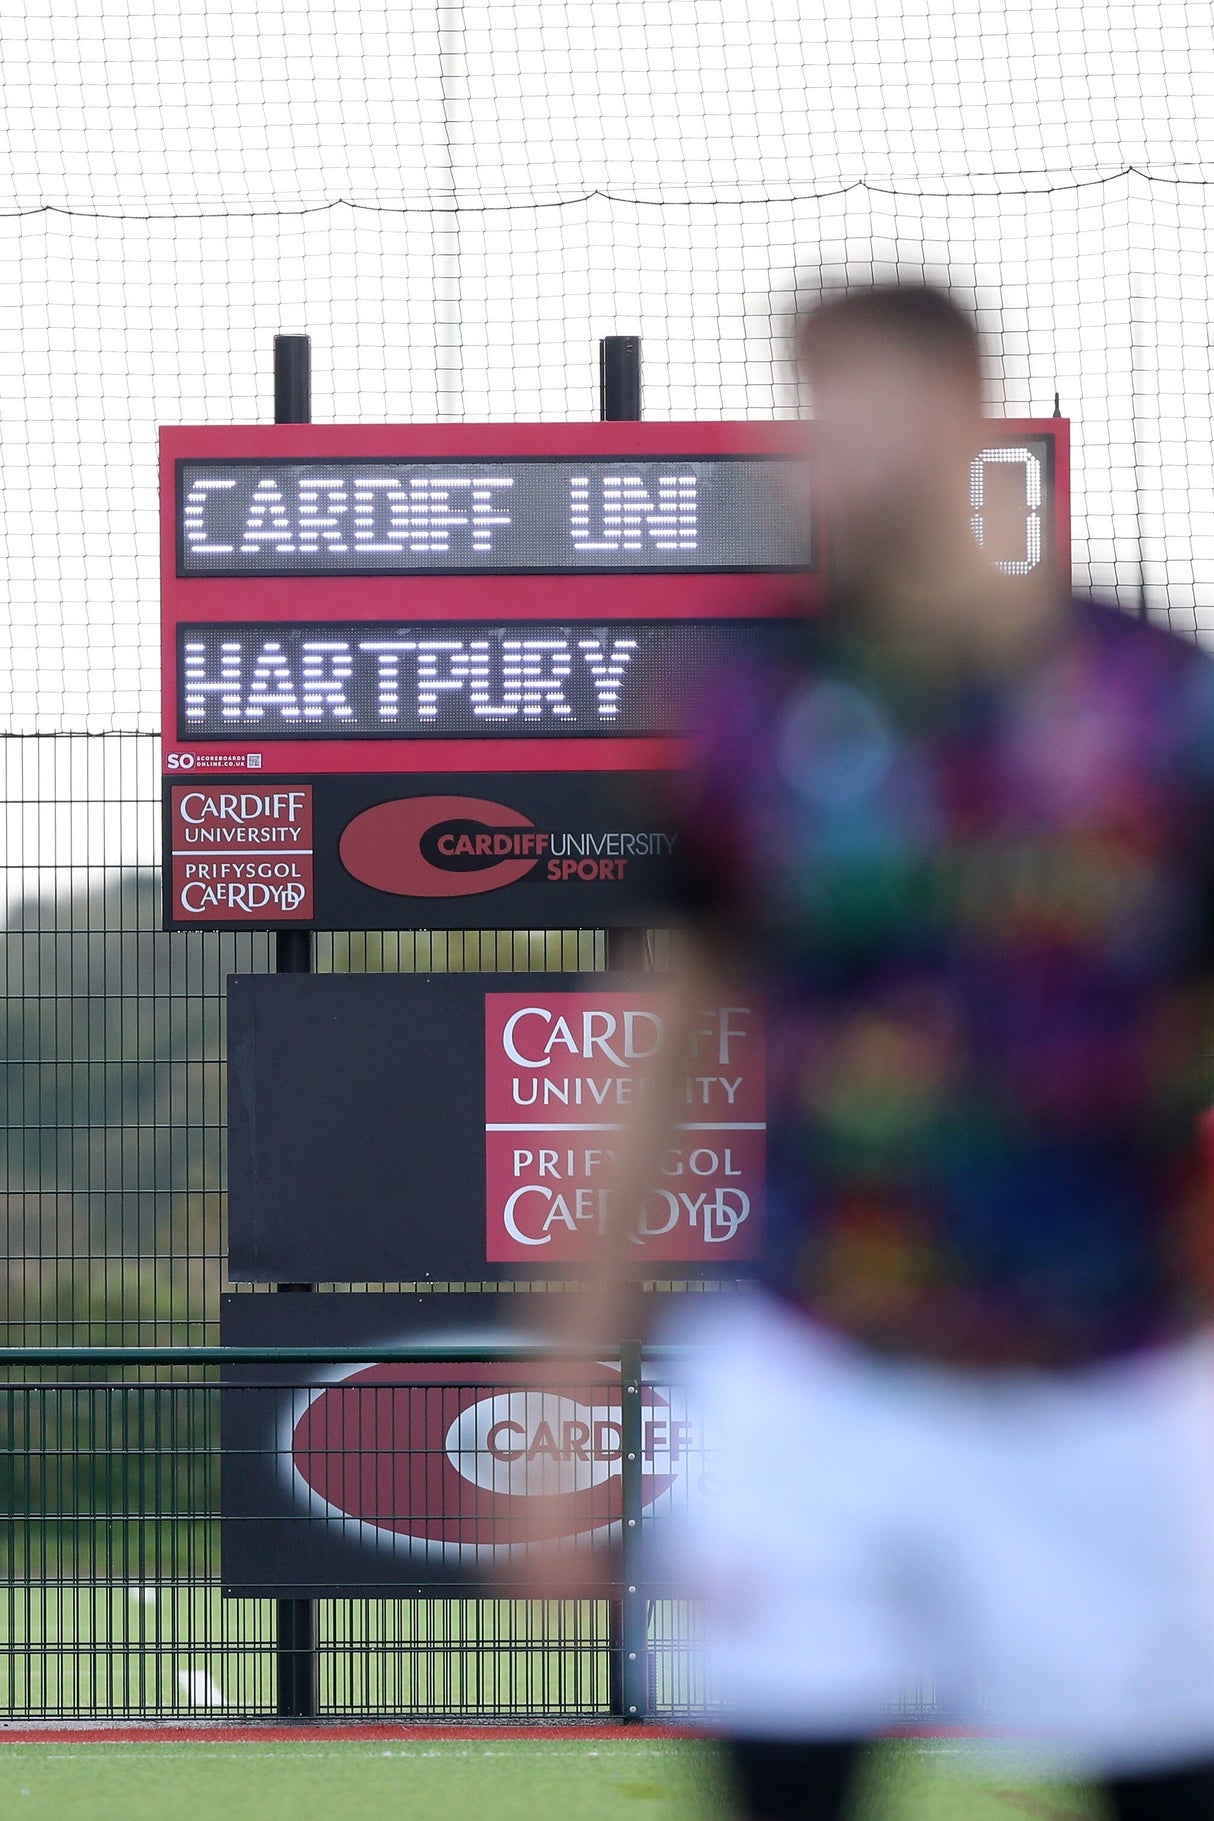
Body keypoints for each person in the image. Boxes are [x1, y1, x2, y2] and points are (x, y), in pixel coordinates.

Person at [554, 285, 1214, 1818]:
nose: (821, 450)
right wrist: (574, 1375)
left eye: (857, 400)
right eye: (802, 407)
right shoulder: (738, 712)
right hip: (814, 1364)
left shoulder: (1157, 708)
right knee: (780, 1781)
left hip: (1103, 1373)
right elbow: (656, 1044)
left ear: (968, 404)